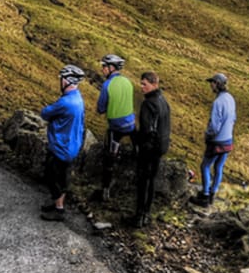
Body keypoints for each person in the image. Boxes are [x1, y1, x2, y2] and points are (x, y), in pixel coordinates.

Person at [39, 65, 87, 221]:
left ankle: (59, 210)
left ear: (67, 80)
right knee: (63, 177)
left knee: (53, 177)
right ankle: (57, 204)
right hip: (72, 146)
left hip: (61, 146)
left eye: (61, 79)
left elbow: (45, 113)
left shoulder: (65, 102)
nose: (60, 81)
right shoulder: (78, 99)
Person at [131, 71, 171, 227]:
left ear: (154, 84)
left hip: (149, 148)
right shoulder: (163, 101)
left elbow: (146, 129)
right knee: (152, 180)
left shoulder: (148, 103)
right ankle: (146, 214)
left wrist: (137, 140)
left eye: (144, 84)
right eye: (141, 84)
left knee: (143, 181)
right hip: (161, 147)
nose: (142, 87)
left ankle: (139, 216)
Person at [96, 54, 135, 199]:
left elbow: (100, 109)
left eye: (104, 67)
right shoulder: (128, 82)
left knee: (109, 158)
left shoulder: (107, 85)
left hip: (116, 127)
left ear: (112, 68)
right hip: (131, 125)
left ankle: (105, 189)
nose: (103, 70)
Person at [195, 72, 236, 206]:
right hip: (228, 139)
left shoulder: (218, 102)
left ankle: (205, 195)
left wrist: (208, 134)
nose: (210, 85)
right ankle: (213, 193)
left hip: (217, 141)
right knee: (219, 167)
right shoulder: (230, 98)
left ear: (217, 84)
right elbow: (234, 118)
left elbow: (214, 125)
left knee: (205, 166)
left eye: (212, 82)